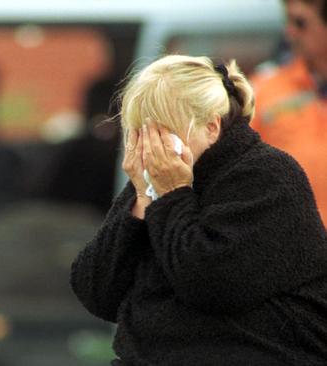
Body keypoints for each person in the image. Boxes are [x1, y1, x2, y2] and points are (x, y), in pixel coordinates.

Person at [70, 54, 327, 365]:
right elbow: (96, 292)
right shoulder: (157, 183)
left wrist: (172, 195)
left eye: (164, 134)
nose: (153, 148)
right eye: (140, 133)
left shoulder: (268, 177)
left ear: (212, 127)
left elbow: (209, 283)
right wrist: (139, 200)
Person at [250, 0, 327, 224]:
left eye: (300, 23)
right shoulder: (264, 88)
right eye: (288, 21)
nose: (289, 31)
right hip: (291, 245)